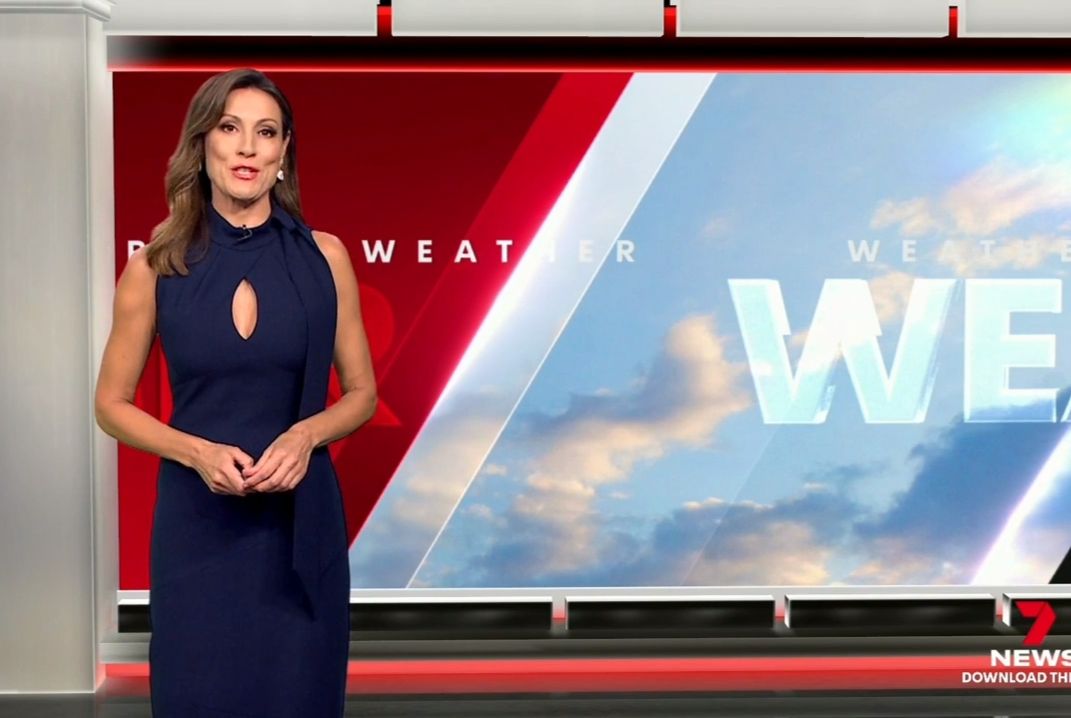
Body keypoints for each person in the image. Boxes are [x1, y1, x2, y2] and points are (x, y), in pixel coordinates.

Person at [94, 67, 377, 717]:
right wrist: (196, 452)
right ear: (202, 144)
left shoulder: (325, 258)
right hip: (199, 529)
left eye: (266, 132)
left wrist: (306, 436)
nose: (248, 147)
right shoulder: (155, 267)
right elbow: (110, 404)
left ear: (284, 152)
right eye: (229, 128)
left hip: (299, 525)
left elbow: (361, 392)